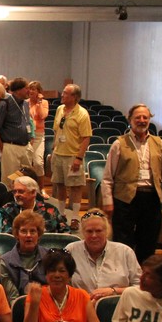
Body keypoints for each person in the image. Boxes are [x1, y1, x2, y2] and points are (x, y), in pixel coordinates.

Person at [100, 104, 162, 262]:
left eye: (145, 117)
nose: (142, 120)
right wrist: (108, 201)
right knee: (123, 241)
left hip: (151, 198)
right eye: (138, 117)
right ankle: (124, 271)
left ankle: (145, 273)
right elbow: (108, 177)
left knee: (149, 241)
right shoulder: (119, 143)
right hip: (125, 199)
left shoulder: (159, 143)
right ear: (130, 119)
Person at [22, 250, 106, 322]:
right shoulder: (36, 294)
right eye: (52, 270)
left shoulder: (82, 296)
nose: (57, 275)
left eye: (62, 271)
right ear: (46, 275)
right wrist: (34, 305)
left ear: (70, 276)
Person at [67, 209, 142, 299]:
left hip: (118, 305)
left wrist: (113, 291)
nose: (94, 235)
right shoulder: (71, 250)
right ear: (83, 232)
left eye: (98, 231)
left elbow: (140, 287)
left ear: (107, 231)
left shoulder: (125, 252)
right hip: (80, 304)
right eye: (89, 231)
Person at [51, 83, 92, 230]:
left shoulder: (82, 114)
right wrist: (54, 149)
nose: (62, 95)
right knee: (60, 185)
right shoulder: (60, 109)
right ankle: (61, 214)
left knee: (75, 187)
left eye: (65, 93)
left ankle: (75, 217)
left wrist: (79, 158)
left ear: (74, 97)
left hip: (73, 156)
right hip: (58, 154)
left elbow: (86, 138)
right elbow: (57, 131)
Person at [0, 211, 53, 304]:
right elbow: (13, 298)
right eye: (24, 231)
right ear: (17, 234)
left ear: (39, 234)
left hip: (48, 306)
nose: (28, 235)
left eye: (32, 231)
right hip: (18, 308)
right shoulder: (4, 262)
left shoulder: (50, 257)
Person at [0, 77, 34, 188]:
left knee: (26, 178)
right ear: (18, 90)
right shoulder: (5, 104)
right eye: (26, 88)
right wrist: (2, 147)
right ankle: (10, 199)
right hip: (11, 147)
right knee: (10, 179)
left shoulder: (25, 104)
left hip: (26, 147)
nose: (29, 91)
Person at [0, 175, 70, 234]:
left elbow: (66, 231)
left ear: (33, 193)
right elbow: (7, 235)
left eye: (21, 191)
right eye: (15, 192)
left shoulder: (50, 209)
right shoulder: (8, 209)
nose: (16, 195)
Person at [26, 81, 49, 175]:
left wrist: (39, 103)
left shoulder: (44, 102)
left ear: (39, 91)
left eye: (33, 89)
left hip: (38, 136)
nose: (31, 91)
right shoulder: (25, 103)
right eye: (29, 89)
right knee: (26, 164)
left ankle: (40, 183)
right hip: (27, 135)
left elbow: (42, 115)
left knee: (38, 163)